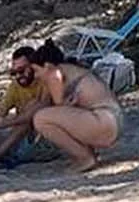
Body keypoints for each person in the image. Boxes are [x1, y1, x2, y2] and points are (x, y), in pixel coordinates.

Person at [29, 40, 123, 172]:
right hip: (113, 121)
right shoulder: (72, 69)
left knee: (41, 119)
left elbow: (59, 110)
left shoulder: (54, 73)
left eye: (36, 70)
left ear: (47, 65)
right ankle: (88, 154)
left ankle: (85, 158)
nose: (36, 76)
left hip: (103, 121)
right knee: (51, 115)